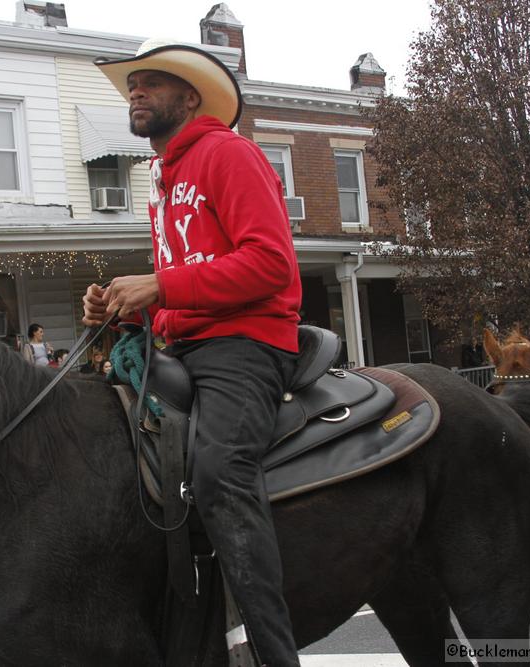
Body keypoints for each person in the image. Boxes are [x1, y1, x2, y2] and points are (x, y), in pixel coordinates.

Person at [88, 40, 302, 666]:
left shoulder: (226, 155)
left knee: (219, 474)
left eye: (151, 83)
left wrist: (158, 286)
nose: (136, 92)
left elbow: (269, 262)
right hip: (185, 343)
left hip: (248, 342)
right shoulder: (163, 179)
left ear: (189, 96)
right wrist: (129, 306)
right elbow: (188, 283)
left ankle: (270, 653)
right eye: (133, 86)